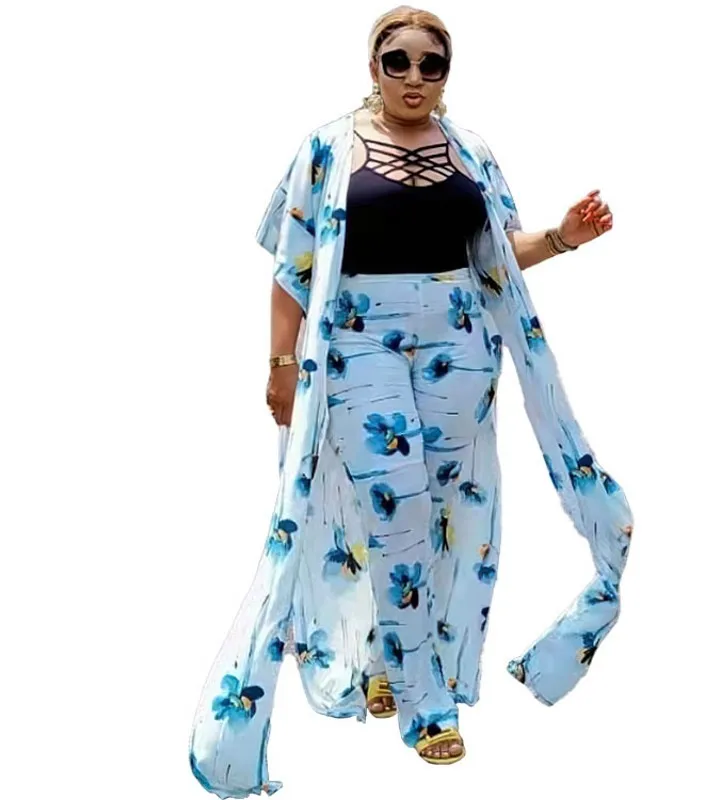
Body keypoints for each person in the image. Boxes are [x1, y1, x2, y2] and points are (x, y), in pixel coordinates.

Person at [189, 6, 633, 797]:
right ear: (373, 67)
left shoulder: (471, 151)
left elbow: (497, 255)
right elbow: (292, 267)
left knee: (441, 511)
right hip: (359, 338)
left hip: (461, 340)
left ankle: (388, 659)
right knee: (394, 502)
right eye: (398, 61)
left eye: (433, 64)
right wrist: (280, 363)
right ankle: (427, 705)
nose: (415, 77)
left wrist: (564, 236)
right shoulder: (327, 148)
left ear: (448, 72)